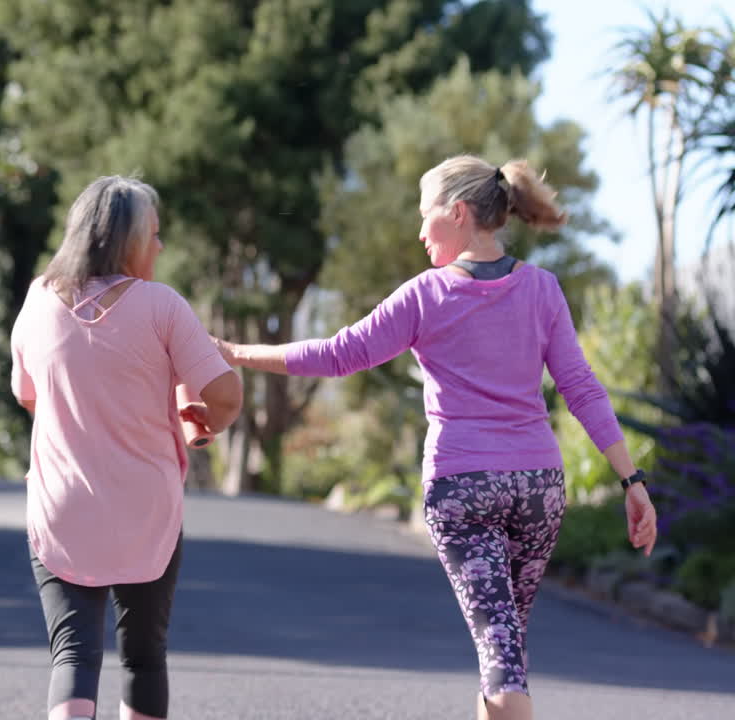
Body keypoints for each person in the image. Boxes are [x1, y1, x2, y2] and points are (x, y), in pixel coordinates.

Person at [212, 155, 658, 720]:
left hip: (463, 487)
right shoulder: (543, 289)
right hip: (538, 488)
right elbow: (583, 389)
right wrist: (631, 480)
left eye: (426, 216)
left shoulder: (427, 294)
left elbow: (337, 354)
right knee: (504, 648)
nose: (420, 231)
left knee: (500, 655)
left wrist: (236, 354)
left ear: (459, 212)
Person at [10, 175, 243, 720]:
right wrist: (207, 418)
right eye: (154, 235)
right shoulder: (162, 306)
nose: (160, 246)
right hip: (147, 509)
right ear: (129, 240)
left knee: (73, 653)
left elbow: (27, 395)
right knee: (142, 658)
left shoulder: (38, 300)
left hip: (62, 506)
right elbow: (226, 394)